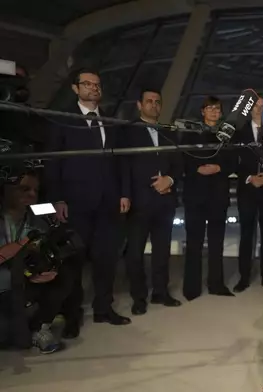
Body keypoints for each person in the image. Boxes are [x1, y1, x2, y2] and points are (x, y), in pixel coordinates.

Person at [44, 68, 131, 339]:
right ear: (75, 88)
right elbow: (53, 162)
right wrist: (57, 199)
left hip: (108, 202)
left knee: (106, 260)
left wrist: (124, 193)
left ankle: (104, 308)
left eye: (97, 84)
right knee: (74, 263)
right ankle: (72, 316)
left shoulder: (109, 121)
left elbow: (121, 161)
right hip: (76, 203)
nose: (94, 88)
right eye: (88, 84)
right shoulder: (62, 121)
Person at [120, 88, 182, 315]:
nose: (153, 105)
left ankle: (160, 292)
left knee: (162, 252)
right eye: (149, 101)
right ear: (139, 105)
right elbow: (124, 165)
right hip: (138, 202)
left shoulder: (168, 132)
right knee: (134, 254)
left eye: (157, 102)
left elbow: (178, 163)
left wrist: (170, 179)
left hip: (165, 201)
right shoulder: (128, 132)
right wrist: (125, 194)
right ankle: (139, 297)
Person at [0, 173, 73, 354]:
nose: (32, 194)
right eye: (25, 189)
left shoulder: (38, 220)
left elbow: (41, 254)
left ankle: (39, 328)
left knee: (63, 275)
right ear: (8, 190)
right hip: (4, 286)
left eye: (35, 191)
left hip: (22, 283)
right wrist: (24, 242)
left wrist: (48, 270)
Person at [182, 96, 236, 300]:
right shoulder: (190, 133)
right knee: (193, 243)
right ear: (202, 111)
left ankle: (216, 284)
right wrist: (198, 168)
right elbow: (183, 157)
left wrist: (219, 167)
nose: (214, 112)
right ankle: (191, 289)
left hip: (218, 195)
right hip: (195, 194)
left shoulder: (227, 135)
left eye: (217, 109)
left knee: (217, 243)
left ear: (221, 113)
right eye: (210, 108)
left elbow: (233, 161)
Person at [231, 96, 263, 293]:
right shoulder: (239, 133)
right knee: (246, 235)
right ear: (249, 109)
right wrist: (250, 177)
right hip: (247, 190)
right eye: (256, 106)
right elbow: (234, 161)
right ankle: (244, 277)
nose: (259, 110)